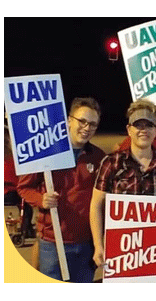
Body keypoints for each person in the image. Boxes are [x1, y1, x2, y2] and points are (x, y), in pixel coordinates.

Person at [90, 99, 156, 283]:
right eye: (138, 125)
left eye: (149, 125)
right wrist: (99, 245)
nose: (143, 130)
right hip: (123, 254)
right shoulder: (111, 162)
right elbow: (96, 205)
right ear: (129, 129)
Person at [18, 97, 105, 282]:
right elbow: (24, 187)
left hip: (86, 243)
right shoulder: (46, 152)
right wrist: (41, 199)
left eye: (92, 124)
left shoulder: (98, 157)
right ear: (68, 120)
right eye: (82, 121)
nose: (86, 128)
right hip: (52, 242)